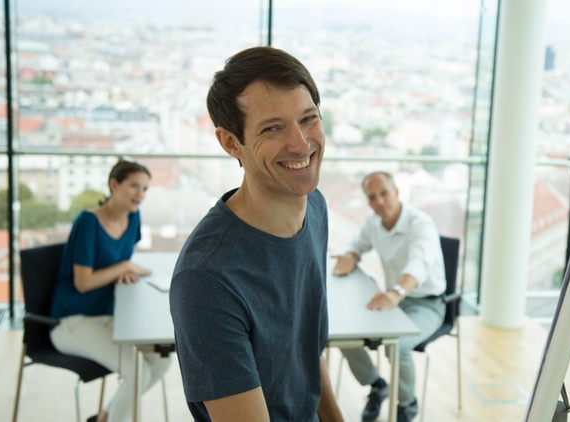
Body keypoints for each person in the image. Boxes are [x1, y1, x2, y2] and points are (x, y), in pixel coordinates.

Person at [169, 46, 343, 422]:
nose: (301, 143)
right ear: (232, 143)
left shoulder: (314, 209)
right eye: (273, 128)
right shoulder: (206, 279)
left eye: (309, 119)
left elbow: (306, 353)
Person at [50, 157, 172, 422]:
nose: (140, 195)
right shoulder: (88, 223)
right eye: (134, 186)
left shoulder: (133, 217)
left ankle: (106, 417)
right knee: (136, 371)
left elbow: (117, 263)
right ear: (114, 185)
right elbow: (83, 283)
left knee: (162, 361)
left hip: (109, 316)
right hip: (72, 320)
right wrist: (124, 266)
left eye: (145, 189)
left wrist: (123, 270)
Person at [332, 171, 446, 422]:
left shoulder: (420, 222)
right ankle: (376, 384)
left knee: (398, 347)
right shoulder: (374, 223)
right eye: (372, 197)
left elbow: (420, 263)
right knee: (340, 333)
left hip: (427, 304)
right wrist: (350, 257)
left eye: (384, 193)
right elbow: (356, 246)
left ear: (396, 192)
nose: (380, 201)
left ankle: (407, 404)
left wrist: (397, 292)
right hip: (393, 301)